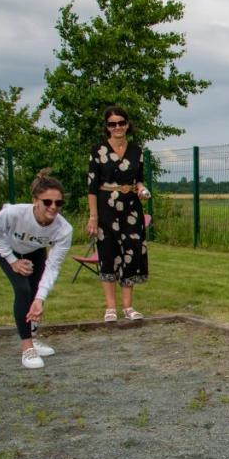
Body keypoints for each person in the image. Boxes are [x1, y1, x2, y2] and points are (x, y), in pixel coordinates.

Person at [0, 170, 74, 369]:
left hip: (35, 250)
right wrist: (12, 260)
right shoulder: (14, 213)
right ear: (35, 200)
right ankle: (27, 347)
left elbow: (53, 267)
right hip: (7, 249)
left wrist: (40, 299)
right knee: (23, 290)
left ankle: (34, 338)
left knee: (34, 293)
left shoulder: (64, 229)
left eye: (58, 203)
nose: (53, 207)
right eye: (47, 202)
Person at [86, 105, 149, 322]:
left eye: (121, 122)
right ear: (107, 127)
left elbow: (139, 178)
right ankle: (110, 307)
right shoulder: (98, 151)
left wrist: (140, 188)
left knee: (131, 252)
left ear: (127, 124)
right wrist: (93, 217)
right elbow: (92, 187)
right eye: (112, 124)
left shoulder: (136, 151)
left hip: (131, 207)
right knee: (108, 253)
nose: (117, 127)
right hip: (106, 208)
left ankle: (128, 306)